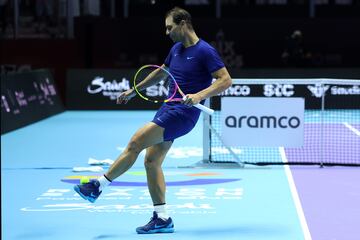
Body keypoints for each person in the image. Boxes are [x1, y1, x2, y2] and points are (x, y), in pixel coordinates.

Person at [73, 6, 232, 234]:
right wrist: (133, 90)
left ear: (183, 23)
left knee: (136, 142)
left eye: (170, 27)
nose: (167, 33)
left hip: (184, 114)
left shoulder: (205, 51)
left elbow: (225, 80)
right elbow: (160, 73)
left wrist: (199, 95)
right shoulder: (176, 49)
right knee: (151, 162)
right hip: (168, 107)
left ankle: (97, 186)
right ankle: (162, 217)